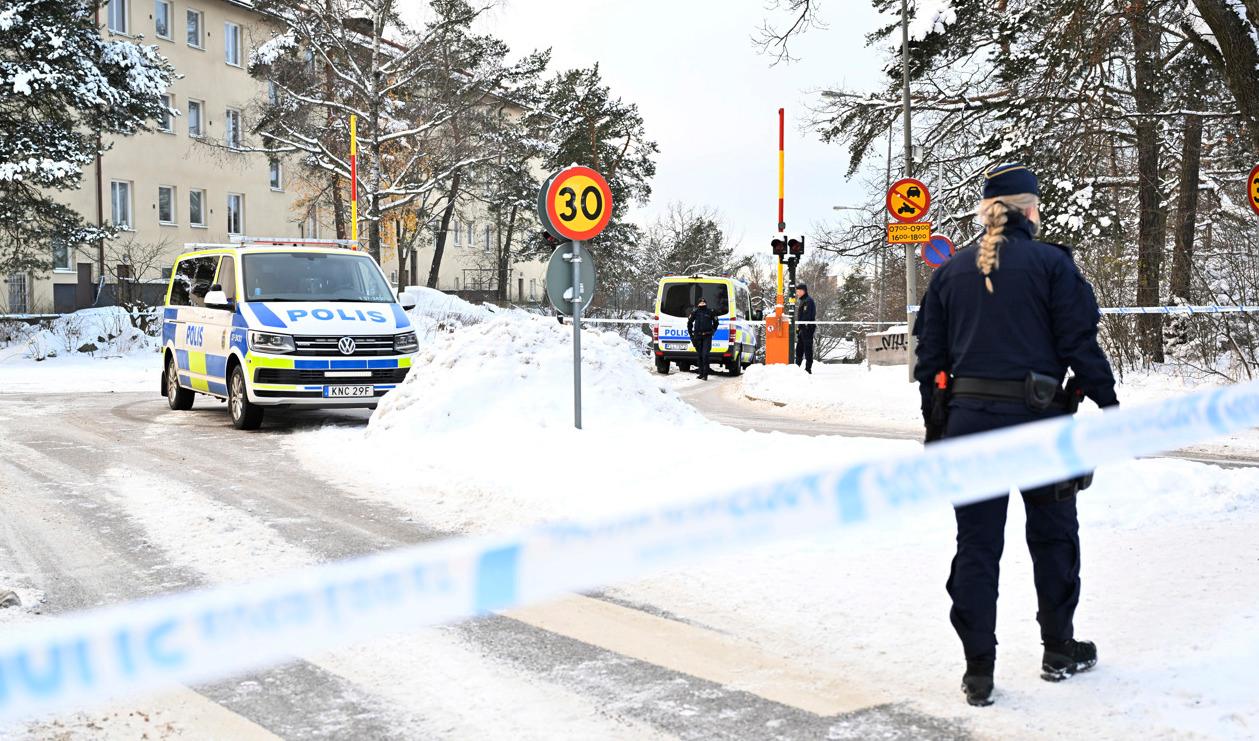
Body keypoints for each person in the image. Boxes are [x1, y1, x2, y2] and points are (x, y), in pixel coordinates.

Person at [913, 163, 1119, 708]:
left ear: (988, 212)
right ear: (1029, 210)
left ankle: (978, 669)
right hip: (1041, 425)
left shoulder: (950, 272)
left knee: (977, 547)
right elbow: (1080, 343)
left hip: (969, 426)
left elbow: (928, 362)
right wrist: (1109, 401)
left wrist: (938, 428)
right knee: (1052, 537)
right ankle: (1059, 649)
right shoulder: (1053, 265)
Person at [687, 296, 719, 380]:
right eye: (700, 303)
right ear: (698, 304)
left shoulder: (710, 312)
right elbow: (689, 322)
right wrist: (691, 335)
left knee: (705, 355)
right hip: (697, 336)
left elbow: (716, 322)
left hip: (707, 336)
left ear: (706, 304)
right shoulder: (695, 312)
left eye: (703, 303)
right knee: (699, 355)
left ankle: (705, 374)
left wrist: (713, 330)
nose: (702, 304)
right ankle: (701, 373)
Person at [794, 283, 816, 373]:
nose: (797, 293)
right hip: (802, 328)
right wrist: (799, 328)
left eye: (798, 291)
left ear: (803, 291)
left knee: (807, 349)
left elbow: (806, 316)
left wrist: (802, 327)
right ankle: (797, 368)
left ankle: (808, 369)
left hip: (807, 328)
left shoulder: (808, 301)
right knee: (799, 348)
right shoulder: (803, 300)